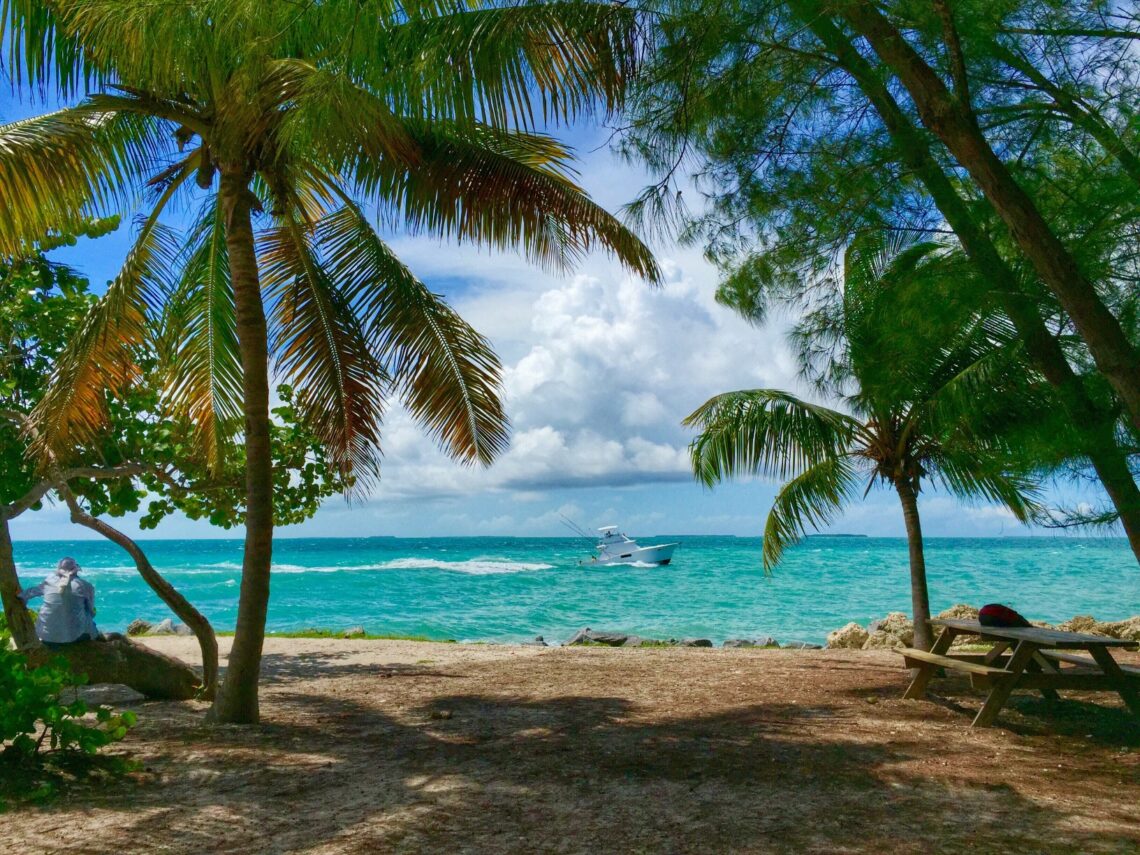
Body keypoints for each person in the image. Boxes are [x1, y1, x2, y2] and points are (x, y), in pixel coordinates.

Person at [19, 557, 100, 645]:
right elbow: (91, 612)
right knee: (87, 613)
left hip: (46, 636)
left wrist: (20, 594)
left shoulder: (49, 582)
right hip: (74, 637)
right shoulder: (85, 585)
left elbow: (28, 594)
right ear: (76, 570)